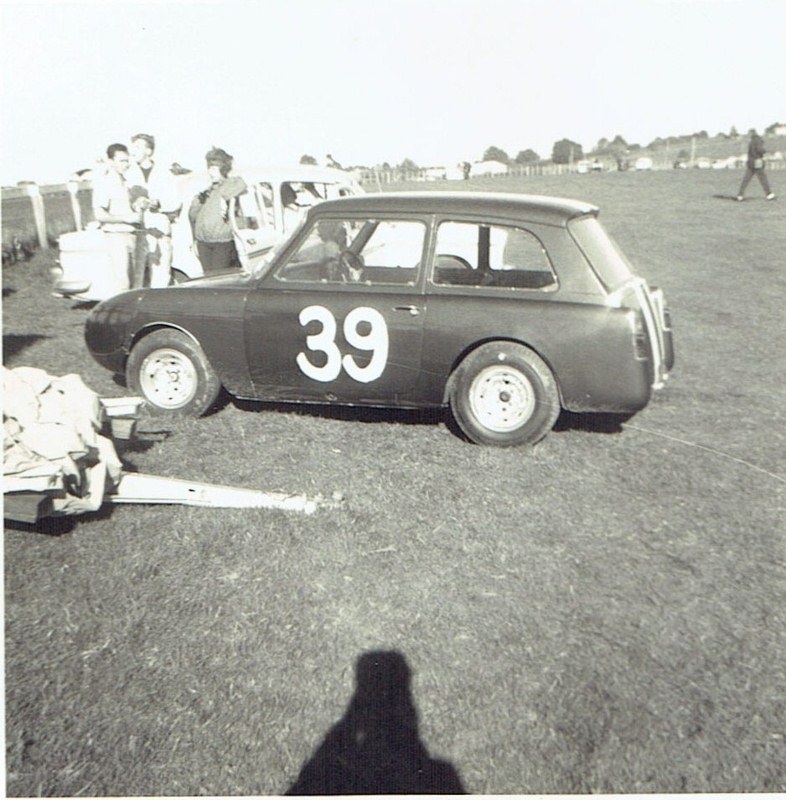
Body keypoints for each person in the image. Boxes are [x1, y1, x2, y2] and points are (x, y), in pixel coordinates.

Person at [127, 133, 181, 287]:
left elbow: (175, 201)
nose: (133, 151)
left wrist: (157, 203)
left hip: (159, 231)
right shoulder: (129, 174)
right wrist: (135, 204)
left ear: (149, 151)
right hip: (138, 232)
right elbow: (124, 199)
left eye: (138, 147)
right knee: (137, 277)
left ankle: (159, 308)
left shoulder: (164, 174)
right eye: (133, 147)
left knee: (160, 275)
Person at [91, 143, 144, 295]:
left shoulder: (126, 182)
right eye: (122, 161)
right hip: (116, 236)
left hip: (132, 235)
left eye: (127, 161)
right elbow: (99, 215)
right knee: (122, 282)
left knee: (135, 281)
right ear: (110, 162)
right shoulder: (104, 183)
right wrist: (126, 218)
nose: (126, 165)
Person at [188, 147, 247, 273]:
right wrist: (197, 203)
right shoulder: (207, 191)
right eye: (209, 168)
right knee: (208, 278)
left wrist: (223, 197)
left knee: (219, 276)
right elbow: (192, 217)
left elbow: (241, 185)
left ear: (223, 169)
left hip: (221, 243)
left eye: (214, 168)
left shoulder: (230, 183)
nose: (210, 172)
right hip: (203, 242)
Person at [737, 129, 776, 201]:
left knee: (746, 180)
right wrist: (765, 151)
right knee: (763, 179)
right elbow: (759, 150)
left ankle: (740, 195)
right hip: (757, 162)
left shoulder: (751, 141)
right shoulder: (758, 140)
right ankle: (769, 194)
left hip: (750, 163)